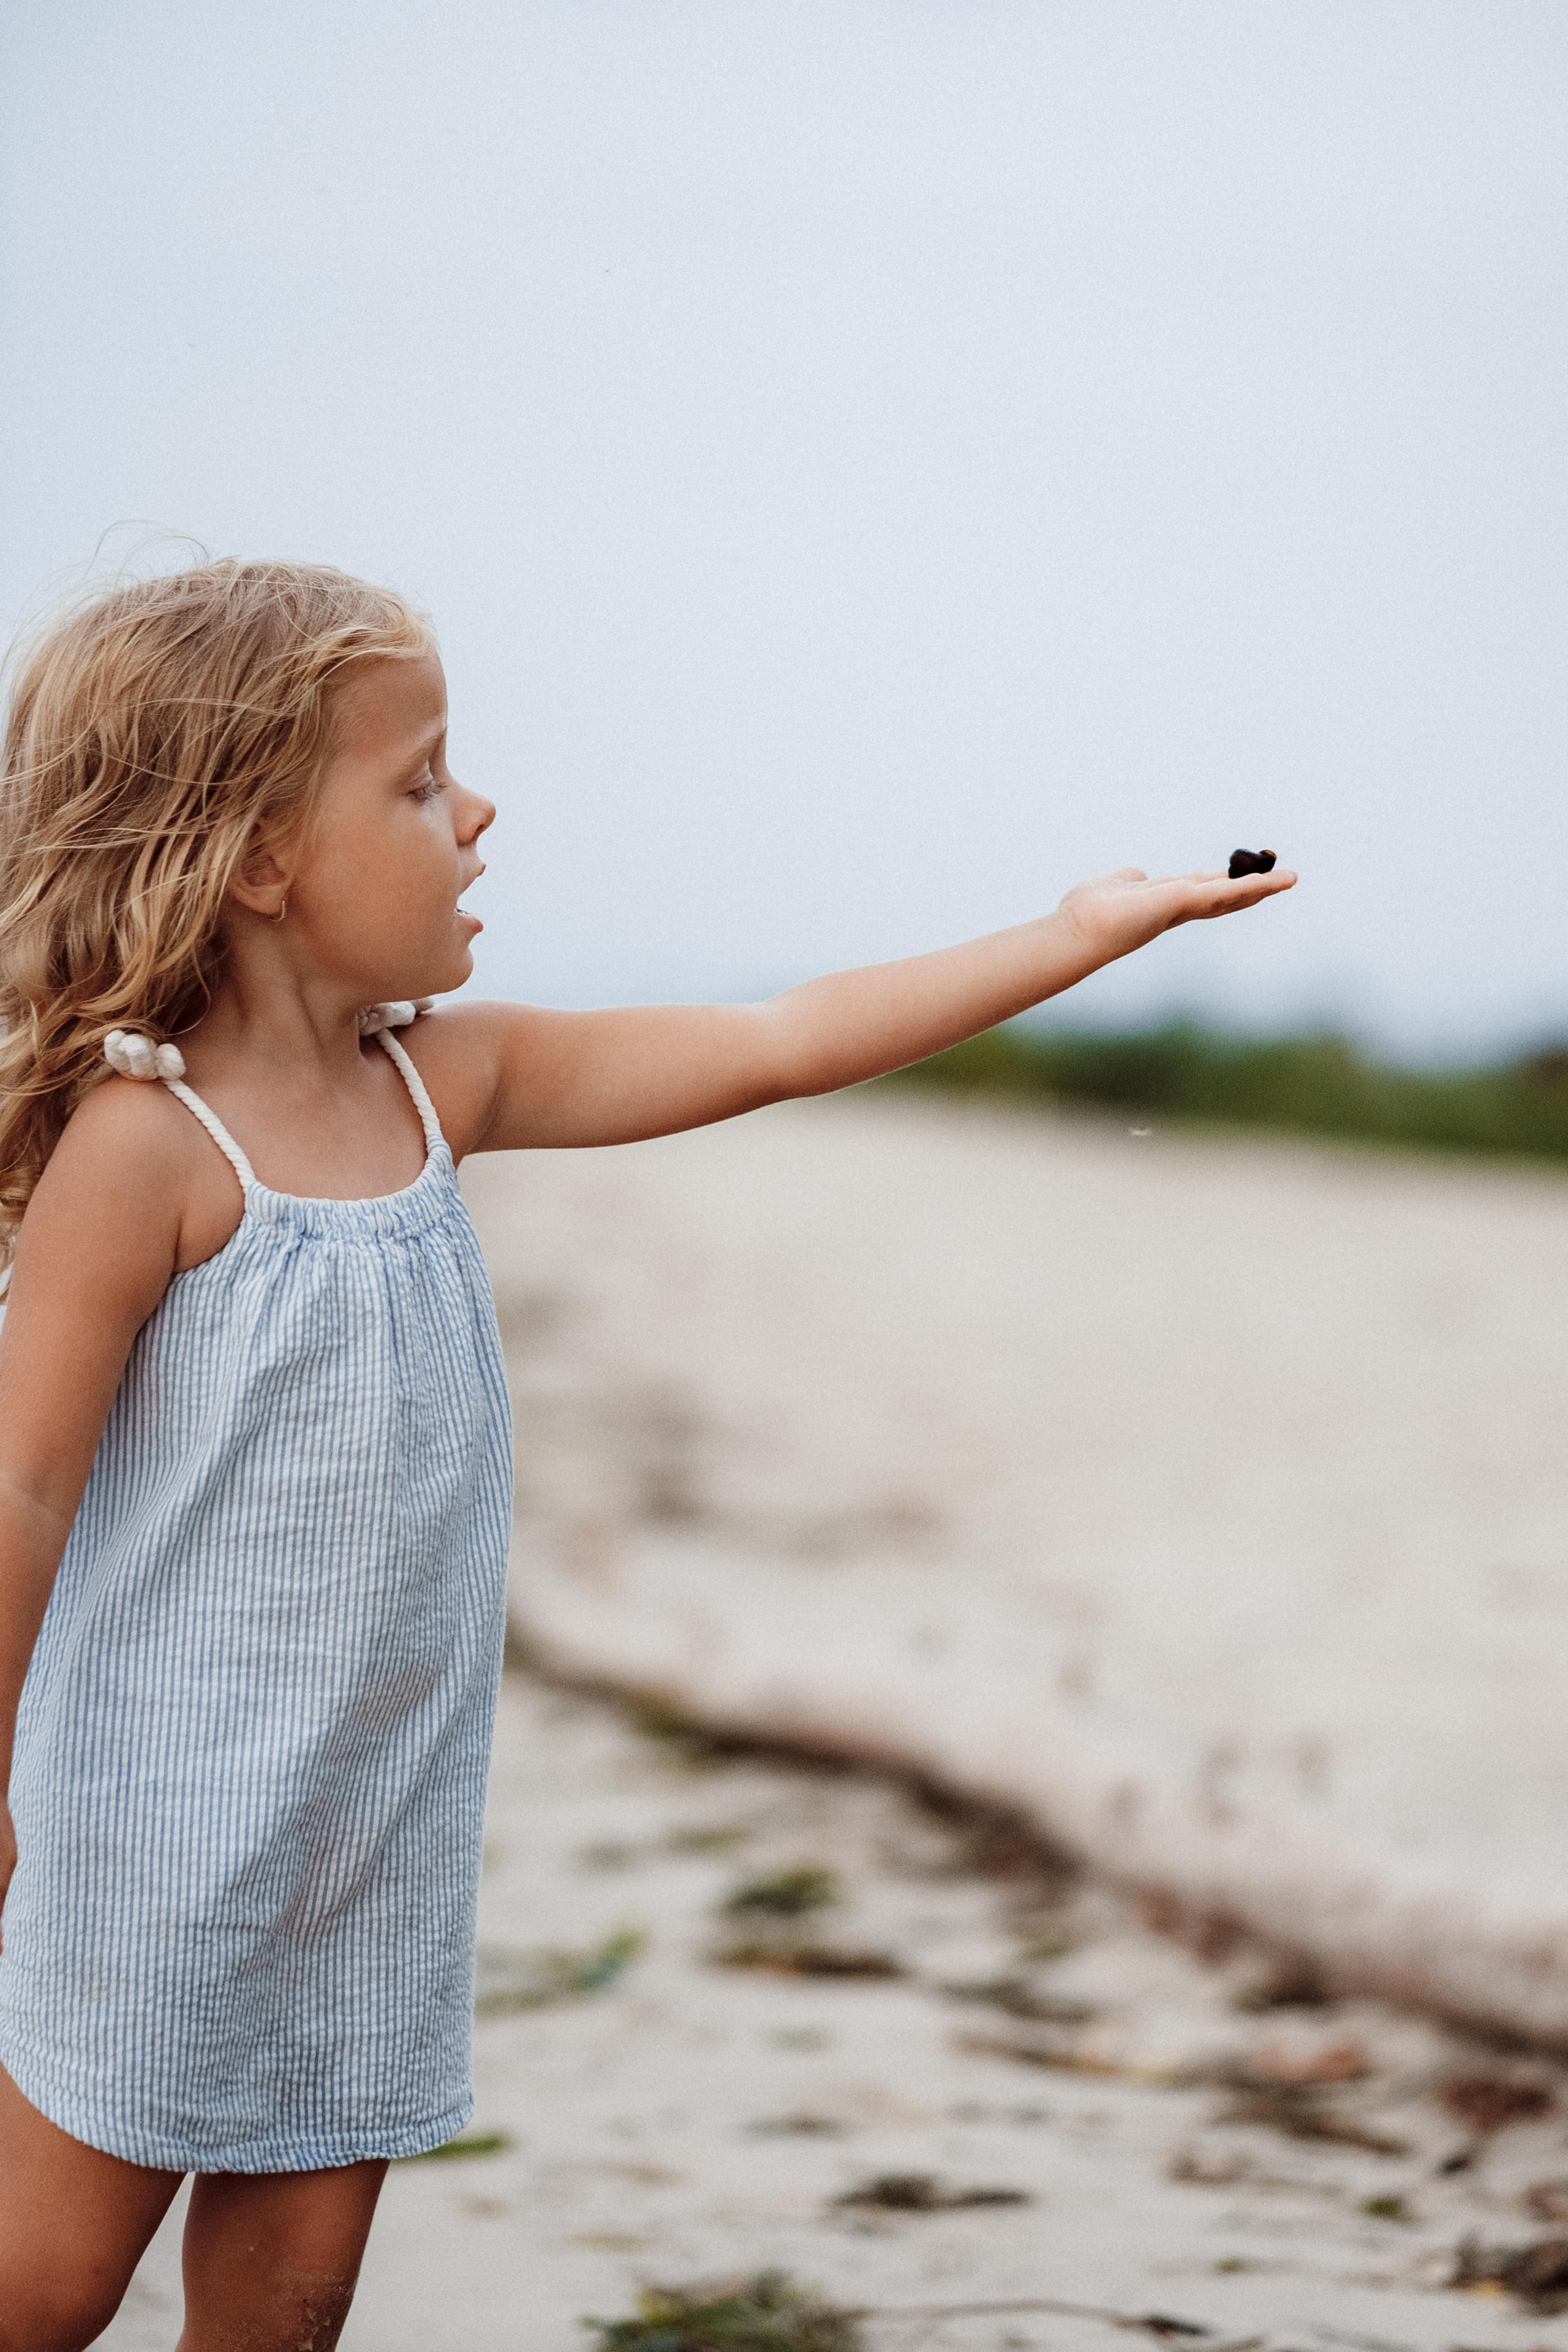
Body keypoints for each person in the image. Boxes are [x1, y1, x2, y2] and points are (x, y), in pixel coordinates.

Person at [0, 559, 1294, 2351]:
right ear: (256, 859)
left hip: (373, 1833)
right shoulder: (148, 1149)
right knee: (42, 2289)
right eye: (418, 780)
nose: (479, 809)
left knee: (288, 2308)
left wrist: (1073, 935)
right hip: (151, 1838)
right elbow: (22, 1487)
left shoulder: (445, 1086)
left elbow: (773, 1043)